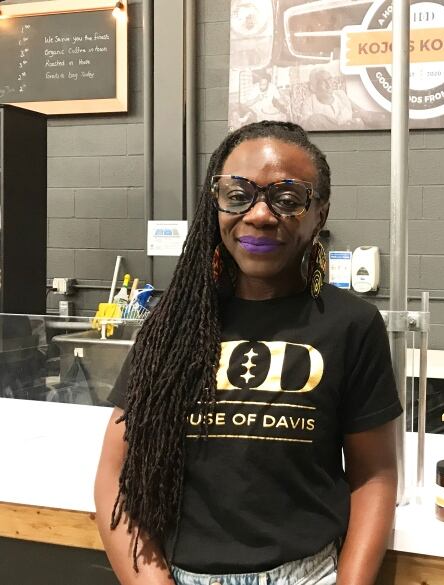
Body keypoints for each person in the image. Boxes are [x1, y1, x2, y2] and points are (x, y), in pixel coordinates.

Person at [94, 121, 402, 585]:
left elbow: (374, 475)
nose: (259, 215)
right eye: (238, 194)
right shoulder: (171, 324)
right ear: (214, 203)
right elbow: (115, 473)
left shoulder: (351, 325)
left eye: (288, 197)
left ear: (319, 212)